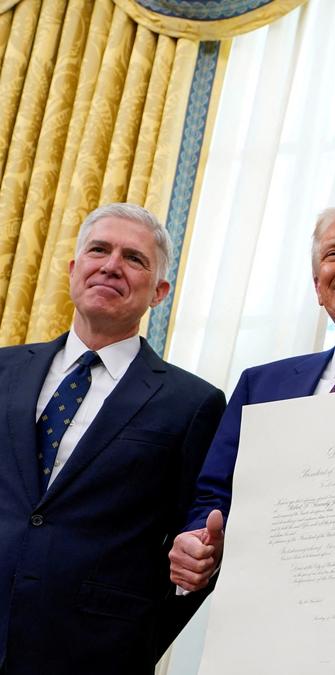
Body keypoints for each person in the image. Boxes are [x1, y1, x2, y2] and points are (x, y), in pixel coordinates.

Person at [0, 203, 225, 674]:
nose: (110, 265)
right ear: (73, 269)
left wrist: (137, 643)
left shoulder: (192, 403)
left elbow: (195, 538)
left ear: (158, 292)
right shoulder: (4, 369)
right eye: (98, 250)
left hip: (94, 654)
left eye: (133, 258)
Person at [168, 206, 335, 592]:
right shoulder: (262, 386)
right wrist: (199, 541)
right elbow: (215, 496)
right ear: (319, 287)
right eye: (333, 254)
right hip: (275, 613)